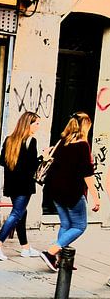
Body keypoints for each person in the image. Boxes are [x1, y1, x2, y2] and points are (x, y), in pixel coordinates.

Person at [41, 111, 101, 271]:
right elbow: (87, 174)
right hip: (71, 192)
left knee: (66, 224)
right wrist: (96, 198)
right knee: (80, 226)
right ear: (85, 126)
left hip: (54, 190)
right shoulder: (82, 145)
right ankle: (51, 252)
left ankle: (60, 260)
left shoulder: (63, 141)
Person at [0, 111, 42, 260]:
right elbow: (31, 167)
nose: (38, 126)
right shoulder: (31, 141)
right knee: (17, 213)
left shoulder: (9, 140)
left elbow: (2, 161)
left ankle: (25, 248)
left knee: (21, 213)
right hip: (24, 185)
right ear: (28, 124)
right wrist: (44, 157)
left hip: (12, 185)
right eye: (36, 123)